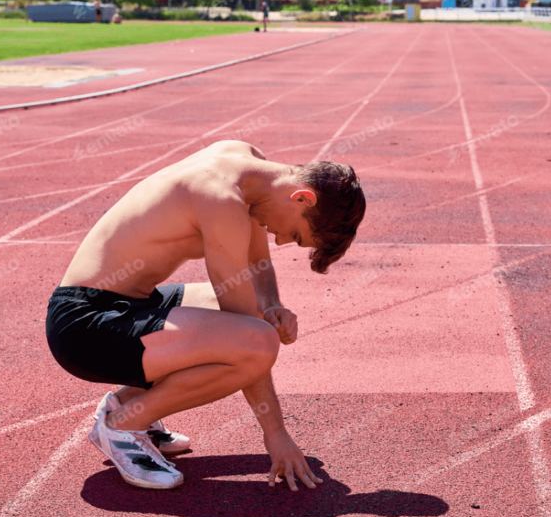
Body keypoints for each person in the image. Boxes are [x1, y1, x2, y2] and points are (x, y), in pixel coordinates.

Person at [46, 141, 366, 492]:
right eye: (294, 235)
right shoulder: (220, 199)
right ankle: (122, 426)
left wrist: (272, 304)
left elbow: (256, 273)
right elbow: (246, 332)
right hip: (85, 328)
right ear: (303, 198)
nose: (281, 242)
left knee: (258, 319)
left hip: (127, 304)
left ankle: (131, 402)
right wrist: (276, 433)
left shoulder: (247, 163)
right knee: (256, 341)